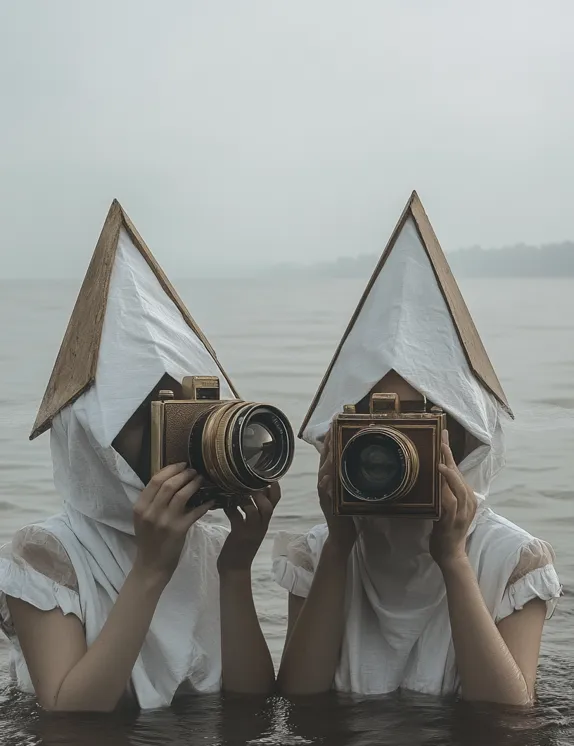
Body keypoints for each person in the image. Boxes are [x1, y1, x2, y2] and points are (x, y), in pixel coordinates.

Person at [273, 194, 561, 705]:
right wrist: (340, 544)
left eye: (418, 423)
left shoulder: (509, 560)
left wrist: (452, 558)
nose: (393, 444)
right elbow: (299, 703)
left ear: (464, 436)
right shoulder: (319, 554)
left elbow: (506, 718)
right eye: (375, 423)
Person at [0, 205, 279, 712]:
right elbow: (70, 712)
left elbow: (252, 697)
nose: (175, 452)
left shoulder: (208, 545)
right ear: (94, 444)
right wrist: (150, 568)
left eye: (190, 427)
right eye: (150, 429)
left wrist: (236, 568)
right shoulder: (48, 554)